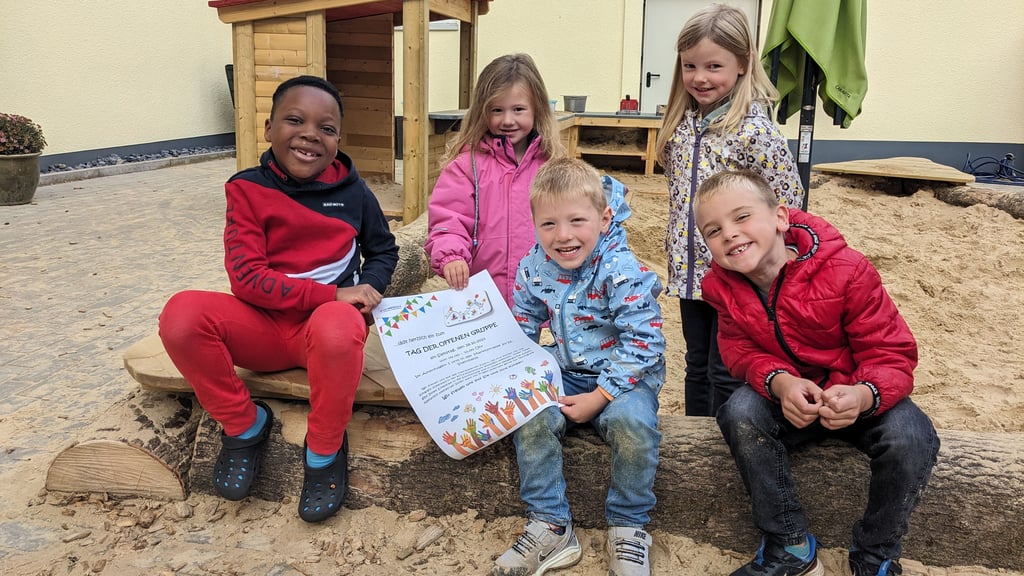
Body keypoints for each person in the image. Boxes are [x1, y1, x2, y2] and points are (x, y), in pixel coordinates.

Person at [158, 75, 399, 523]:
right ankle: (243, 423)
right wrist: (333, 291)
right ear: (268, 128)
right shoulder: (247, 189)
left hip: (323, 334)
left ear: (338, 139)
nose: (311, 134)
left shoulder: (354, 191)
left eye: (326, 128)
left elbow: (384, 249)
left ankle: (325, 448)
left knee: (339, 323)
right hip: (262, 329)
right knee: (181, 315)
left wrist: (370, 287)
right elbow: (246, 278)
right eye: (295, 120)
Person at [693, 170, 939, 576]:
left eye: (741, 217)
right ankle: (789, 543)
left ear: (780, 218)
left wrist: (862, 395)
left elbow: (893, 354)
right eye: (713, 230)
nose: (730, 234)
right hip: (792, 401)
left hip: (858, 394)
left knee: (912, 435)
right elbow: (740, 352)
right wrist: (781, 382)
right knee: (738, 412)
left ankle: (875, 555)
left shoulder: (847, 270)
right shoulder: (722, 287)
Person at [493, 158, 665, 576]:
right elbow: (524, 327)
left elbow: (645, 342)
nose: (563, 236)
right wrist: (506, 375)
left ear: (604, 218)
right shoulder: (534, 267)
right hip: (567, 367)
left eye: (576, 221)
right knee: (529, 416)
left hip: (626, 376)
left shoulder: (621, 270)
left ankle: (628, 527)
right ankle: (550, 524)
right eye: (548, 224)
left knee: (633, 426)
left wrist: (600, 397)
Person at [654, 3, 804, 417]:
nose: (699, 78)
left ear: (742, 64)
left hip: (736, 270)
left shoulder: (754, 131)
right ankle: (695, 443)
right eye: (690, 66)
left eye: (713, 66)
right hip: (689, 272)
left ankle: (723, 448)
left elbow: (788, 200)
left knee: (726, 368)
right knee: (696, 364)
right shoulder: (681, 125)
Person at [426, 53, 565, 308]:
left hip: (545, 299)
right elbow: (449, 218)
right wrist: (452, 255)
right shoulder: (467, 167)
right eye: (497, 110)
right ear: (483, 111)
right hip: (484, 297)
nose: (507, 120)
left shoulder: (553, 167)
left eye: (518, 110)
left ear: (537, 110)